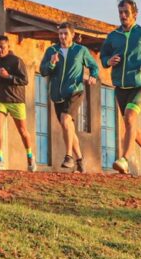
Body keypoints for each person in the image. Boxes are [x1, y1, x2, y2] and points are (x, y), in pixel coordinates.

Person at [99, 0, 141, 175]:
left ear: (135, 14)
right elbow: (104, 54)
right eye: (120, 12)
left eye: (126, 12)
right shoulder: (113, 36)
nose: (122, 16)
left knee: (129, 118)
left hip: (139, 84)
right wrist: (108, 60)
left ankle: (124, 159)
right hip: (120, 86)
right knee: (131, 124)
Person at [40, 22, 98, 173]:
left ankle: (68, 157)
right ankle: (79, 160)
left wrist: (93, 76)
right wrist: (51, 63)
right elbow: (43, 71)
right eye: (60, 34)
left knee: (66, 120)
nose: (62, 36)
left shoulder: (80, 50)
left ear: (72, 35)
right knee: (68, 127)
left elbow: (94, 66)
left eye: (65, 33)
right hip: (57, 95)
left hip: (75, 91)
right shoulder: (52, 51)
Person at [0, 35, 35, 171]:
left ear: (8, 47)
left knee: (22, 131)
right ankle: (0, 159)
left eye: (2, 47)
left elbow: (24, 80)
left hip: (16, 100)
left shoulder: (16, 61)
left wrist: (8, 76)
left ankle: (30, 157)